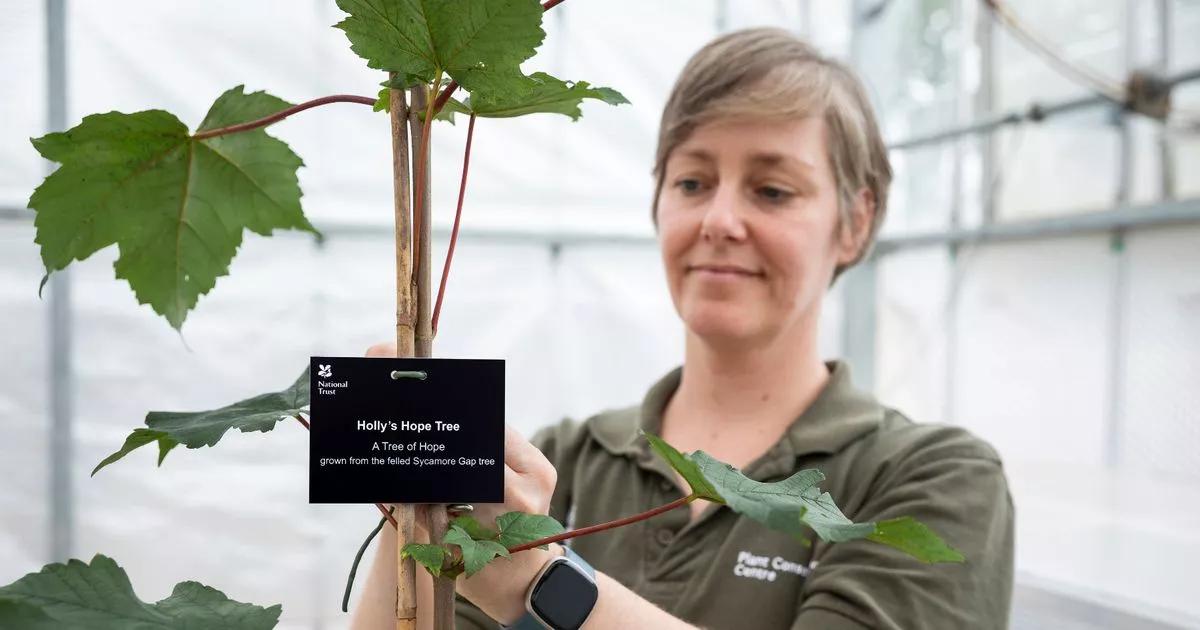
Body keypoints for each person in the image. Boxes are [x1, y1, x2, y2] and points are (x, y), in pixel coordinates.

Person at [351, 26, 1014, 630]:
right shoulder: (568, 463)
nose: (719, 221)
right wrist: (408, 497)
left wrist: (537, 579)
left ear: (855, 222)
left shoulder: (929, 479)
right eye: (693, 182)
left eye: (772, 190)